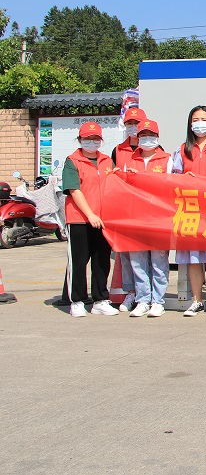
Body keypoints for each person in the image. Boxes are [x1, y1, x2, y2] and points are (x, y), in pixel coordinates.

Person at [172, 105, 206, 317]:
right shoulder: (183, 149)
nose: (199, 123)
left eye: (203, 119)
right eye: (195, 120)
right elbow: (173, 177)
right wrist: (183, 178)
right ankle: (196, 300)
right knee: (194, 259)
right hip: (190, 210)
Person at [62, 122, 116, 318]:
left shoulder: (107, 161)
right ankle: (77, 301)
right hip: (79, 219)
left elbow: (117, 183)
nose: (92, 142)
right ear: (80, 139)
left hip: (103, 220)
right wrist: (90, 214)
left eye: (95, 139)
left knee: (102, 261)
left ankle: (100, 300)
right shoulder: (72, 161)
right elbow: (74, 190)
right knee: (79, 261)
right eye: (87, 139)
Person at [120, 119, 171, 317]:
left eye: (151, 135)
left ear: (157, 138)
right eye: (143, 135)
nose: (147, 139)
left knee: (159, 261)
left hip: (159, 218)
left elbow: (172, 186)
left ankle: (158, 301)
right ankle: (142, 300)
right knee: (138, 261)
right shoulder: (130, 160)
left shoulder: (166, 159)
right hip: (136, 217)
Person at [112, 106, 146, 312]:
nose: (133, 127)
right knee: (125, 254)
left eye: (136, 123)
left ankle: (146, 295)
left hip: (146, 210)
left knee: (146, 256)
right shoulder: (117, 150)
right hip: (124, 209)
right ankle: (130, 292)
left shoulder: (155, 149)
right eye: (129, 123)